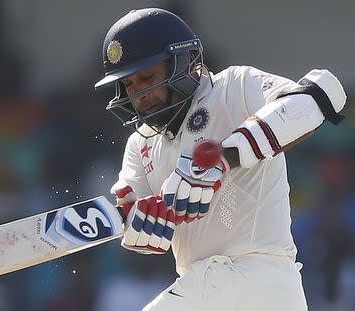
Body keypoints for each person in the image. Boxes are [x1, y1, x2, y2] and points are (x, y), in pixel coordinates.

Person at [94, 8, 346, 311]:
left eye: (147, 77)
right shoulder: (140, 143)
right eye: (130, 85)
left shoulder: (232, 88)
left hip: (257, 278)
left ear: (184, 62)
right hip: (207, 287)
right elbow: (133, 211)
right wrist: (143, 223)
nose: (139, 96)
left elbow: (316, 97)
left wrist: (223, 159)